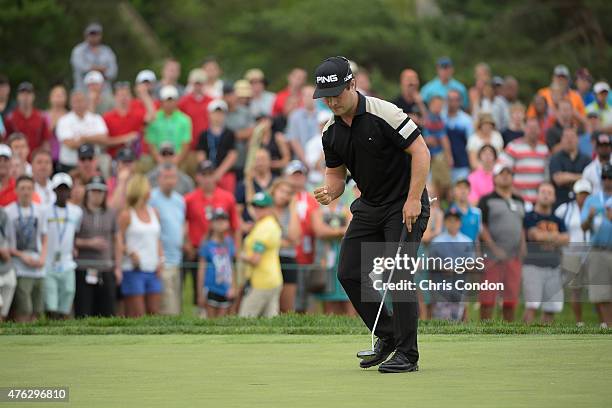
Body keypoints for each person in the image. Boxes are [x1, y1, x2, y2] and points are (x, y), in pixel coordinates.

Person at [312, 56, 430, 373]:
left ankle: (408, 355)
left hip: (406, 203)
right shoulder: (330, 131)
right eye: (326, 97)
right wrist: (329, 191)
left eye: (337, 93)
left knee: (399, 274)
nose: (332, 101)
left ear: (353, 84)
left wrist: (414, 199)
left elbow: (421, 151)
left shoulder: (384, 113)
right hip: (370, 205)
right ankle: (389, 336)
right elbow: (336, 176)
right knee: (349, 272)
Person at [184, 161, 241, 302]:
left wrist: (236, 251)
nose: (208, 178)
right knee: (200, 287)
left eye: (210, 174)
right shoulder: (189, 199)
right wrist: (187, 244)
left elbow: (236, 226)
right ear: (198, 177)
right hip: (198, 250)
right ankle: (202, 314)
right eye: (204, 175)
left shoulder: (227, 197)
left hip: (222, 251)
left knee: (223, 289)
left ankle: (222, 318)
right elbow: (182, 223)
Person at [478, 164, 526, 322]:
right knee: (488, 298)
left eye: (508, 174)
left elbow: (521, 226)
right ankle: (485, 331)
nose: (505, 176)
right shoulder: (486, 200)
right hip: (492, 257)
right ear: (495, 178)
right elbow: (482, 227)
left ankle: (508, 332)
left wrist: (523, 245)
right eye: (501, 174)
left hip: (513, 257)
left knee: (510, 299)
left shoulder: (519, 200)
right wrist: (494, 248)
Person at [74, 176, 121, 317]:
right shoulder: (78, 212)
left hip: (106, 268)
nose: (97, 194)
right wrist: (89, 243)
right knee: (84, 310)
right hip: (83, 267)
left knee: (107, 311)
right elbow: (71, 240)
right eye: (93, 191)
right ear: (87, 192)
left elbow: (117, 240)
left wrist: (118, 267)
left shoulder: (111, 213)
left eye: (100, 191)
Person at [522, 182, 569, 323]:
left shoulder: (558, 220)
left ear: (554, 197)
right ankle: (522, 340)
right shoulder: (529, 217)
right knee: (532, 306)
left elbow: (567, 239)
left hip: (554, 267)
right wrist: (556, 238)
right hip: (533, 266)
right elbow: (535, 236)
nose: (546, 195)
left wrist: (545, 237)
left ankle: (544, 342)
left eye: (550, 192)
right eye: (543, 192)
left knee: (551, 309)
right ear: (537, 195)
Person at [118, 175, 164, 317]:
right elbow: (118, 240)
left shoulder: (154, 212)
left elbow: (158, 239)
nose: (150, 191)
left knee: (154, 311)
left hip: (153, 269)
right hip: (133, 270)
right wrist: (130, 252)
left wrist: (161, 260)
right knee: (137, 314)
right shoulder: (127, 215)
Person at [6, 175, 48, 322]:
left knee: (38, 310)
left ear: (33, 190)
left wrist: (43, 257)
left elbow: (44, 236)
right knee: (25, 308)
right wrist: (20, 255)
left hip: (38, 267)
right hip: (20, 267)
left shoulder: (41, 211)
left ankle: (36, 341)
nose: (26, 192)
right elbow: (5, 242)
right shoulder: (8, 212)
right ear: (16, 190)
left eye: (29, 188)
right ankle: (23, 338)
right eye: (22, 188)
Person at [43, 173, 82, 319]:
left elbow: (76, 233)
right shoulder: (45, 211)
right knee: (51, 307)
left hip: (67, 263)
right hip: (49, 263)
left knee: (66, 302)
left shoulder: (76, 212)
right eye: (59, 189)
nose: (63, 193)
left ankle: (63, 334)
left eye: (66, 189)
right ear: (53, 190)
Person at [238, 191, 283, 317]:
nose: (257, 210)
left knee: (245, 318)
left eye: (261, 207)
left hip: (262, 281)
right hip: (272, 278)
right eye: (255, 206)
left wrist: (239, 255)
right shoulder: (266, 224)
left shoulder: (265, 227)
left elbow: (255, 259)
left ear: (270, 208)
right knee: (270, 320)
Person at [149, 164, 185, 316]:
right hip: (163, 262)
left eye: (172, 177)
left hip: (178, 260)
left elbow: (181, 225)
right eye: (166, 177)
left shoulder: (180, 200)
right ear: (159, 179)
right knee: (168, 310)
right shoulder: (151, 199)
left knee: (176, 306)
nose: (169, 181)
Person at [554, 178, 591, 326]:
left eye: (586, 193)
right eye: (580, 193)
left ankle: (605, 323)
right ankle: (579, 322)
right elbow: (555, 226)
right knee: (576, 289)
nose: (583, 196)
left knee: (598, 288)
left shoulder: (594, 207)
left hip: (591, 252)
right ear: (575, 194)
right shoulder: (565, 208)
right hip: (571, 253)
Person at [428, 208, 475, 321]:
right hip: (441, 286)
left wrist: (458, 268)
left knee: (457, 316)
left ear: (460, 223)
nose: (453, 223)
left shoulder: (467, 241)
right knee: (441, 317)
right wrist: (442, 267)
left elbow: (471, 264)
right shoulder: (437, 242)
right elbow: (431, 263)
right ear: (445, 222)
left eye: (456, 221)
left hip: (459, 286)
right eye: (450, 220)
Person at [580, 163, 612, 327]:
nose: (608, 181)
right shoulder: (592, 200)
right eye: (605, 177)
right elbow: (583, 226)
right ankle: (607, 326)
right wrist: (590, 217)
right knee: (601, 293)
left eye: (610, 178)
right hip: (598, 249)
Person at [499, 117, 549, 205]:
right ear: (525, 129)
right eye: (530, 128)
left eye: (535, 128)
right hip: (518, 199)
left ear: (539, 130)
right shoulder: (513, 147)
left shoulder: (544, 149)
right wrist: (512, 191)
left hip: (538, 202)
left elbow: (546, 175)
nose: (533, 131)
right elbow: (502, 170)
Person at [56, 90, 109, 173]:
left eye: (81, 101)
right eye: (76, 102)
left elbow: (104, 139)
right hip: (70, 165)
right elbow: (70, 144)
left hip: (93, 165)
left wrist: (83, 138)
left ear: (87, 102)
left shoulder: (96, 118)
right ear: (71, 104)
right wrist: (93, 139)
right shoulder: (64, 120)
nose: (79, 104)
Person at [268, 178, 301, 313]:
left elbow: (295, 238)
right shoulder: (264, 209)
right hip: (269, 260)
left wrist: (293, 208)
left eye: (288, 193)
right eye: (281, 191)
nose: (284, 195)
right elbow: (265, 239)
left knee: (286, 307)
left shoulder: (291, 212)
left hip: (288, 259)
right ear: (274, 191)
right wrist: (283, 242)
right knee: (269, 305)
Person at [196, 208, 236, 317]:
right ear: (212, 224)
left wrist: (233, 287)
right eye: (217, 220)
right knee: (211, 322)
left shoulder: (229, 242)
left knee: (222, 322)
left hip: (225, 288)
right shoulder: (206, 244)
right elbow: (201, 270)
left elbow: (231, 266)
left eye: (223, 220)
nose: (221, 223)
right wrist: (200, 293)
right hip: (211, 287)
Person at [195, 99, 238, 194]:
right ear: (209, 114)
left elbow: (232, 155)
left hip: (225, 174)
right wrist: (208, 173)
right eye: (215, 113)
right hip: (207, 174)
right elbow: (200, 155)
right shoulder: (204, 135)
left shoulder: (229, 134)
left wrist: (219, 173)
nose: (218, 116)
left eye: (221, 113)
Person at [145, 85, 192, 166]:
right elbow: (151, 142)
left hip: (178, 159)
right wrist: (158, 159)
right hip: (158, 159)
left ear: (177, 101)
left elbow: (186, 143)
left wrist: (177, 160)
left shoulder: (185, 120)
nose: (169, 103)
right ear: (161, 101)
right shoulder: (154, 118)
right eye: (167, 100)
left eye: (172, 100)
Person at [4, 82, 50, 158]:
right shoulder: (10, 118)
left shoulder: (41, 117)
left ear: (33, 96)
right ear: (18, 96)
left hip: (35, 161)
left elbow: (45, 142)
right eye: (22, 94)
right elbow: (6, 141)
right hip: (16, 160)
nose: (25, 97)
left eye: (28, 93)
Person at [102, 82, 147, 159]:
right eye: (121, 95)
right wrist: (125, 139)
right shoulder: (107, 117)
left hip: (134, 158)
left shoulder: (137, 114)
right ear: (115, 97)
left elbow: (152, 116)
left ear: (131, 97)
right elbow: (104, 142)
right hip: (114, 158)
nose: (123, 98)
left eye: (126, 95)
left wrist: (144, 94)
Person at [549, 127, 591, 207]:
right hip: (561, 203)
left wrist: (567, 176)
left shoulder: (586, 159)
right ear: (561, 140)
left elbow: (590, 179)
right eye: (566, 137)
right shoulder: (555, 158)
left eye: (572, 137)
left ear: (578, 139)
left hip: (582, 203)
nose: (569, 140)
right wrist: (581, 176)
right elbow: (559, 179)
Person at [70, 22, 117, 92]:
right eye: (91, 34)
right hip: (83, 92)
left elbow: (113, 72)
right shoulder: (78, 50)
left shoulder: (107, 51)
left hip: (104, 92)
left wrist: (93, 69)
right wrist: (101, 69)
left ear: (101, 35)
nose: (94, 37)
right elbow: (81, 67)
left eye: (96, 34)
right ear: (86, 35)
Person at [223, 82, 256, 181]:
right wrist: (239, 134)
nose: (229, 97)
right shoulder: (220, 111)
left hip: (243, 158)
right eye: (226, 95)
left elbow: (251, 131)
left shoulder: (245, 112)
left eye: (231, 94)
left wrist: (230, 135)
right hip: (224, 159)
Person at [422, 95, 452, 200]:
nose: (438, 107)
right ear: (430, 105)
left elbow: (443, 138)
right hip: (430, 155)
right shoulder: (431, 118)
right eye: (436, 105)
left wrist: (448, 156)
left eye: (440, 105)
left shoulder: (437, 119)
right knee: (435, 183)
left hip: (436, 155)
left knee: (440, 183)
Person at [179, 68, 213, 151]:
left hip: (207, 146)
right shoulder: (183, 102)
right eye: (196, 84)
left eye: (201, 84)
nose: (198, 87)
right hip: (188, 146)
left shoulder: (211, 101)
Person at [444, 89, 474, 182]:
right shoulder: (440, 117)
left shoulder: (466, 120)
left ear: (460, 101)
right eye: (450, 99)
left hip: (462, 164)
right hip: (443, 164)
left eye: (456, 99)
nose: (452, 102)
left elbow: (470, 144)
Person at [285, 85, 320, 165]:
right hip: (300, 160)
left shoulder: (323, 115)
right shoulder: (294, 116)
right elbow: (294, 140)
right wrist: (306, 160)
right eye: (305, 95)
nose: (308, 98)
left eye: (310, 95)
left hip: (321, 160)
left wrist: (317, 162)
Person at [449, 179, 482, 243]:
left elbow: (477, 237)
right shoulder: (449, 212)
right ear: (454, 191)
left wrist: (478, 252)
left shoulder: (477, 213)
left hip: (471, 251)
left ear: (469, 191)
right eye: (459, 187)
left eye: (465, 188)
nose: (463, 191)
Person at [44, 83, 69, 163]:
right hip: (49, 155)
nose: (58, 99)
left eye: (61, 95)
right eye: (56, 95)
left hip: (66, 157)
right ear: (50, 98)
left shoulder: (70, 116)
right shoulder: (44, 116)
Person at [0, 206, 16, 321]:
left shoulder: (3, 212)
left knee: (3, 310)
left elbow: (9, 237)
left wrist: (8, 250)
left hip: (6, 267)